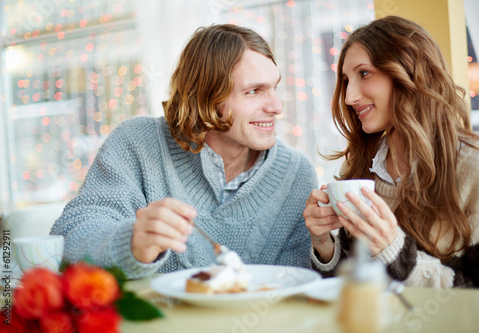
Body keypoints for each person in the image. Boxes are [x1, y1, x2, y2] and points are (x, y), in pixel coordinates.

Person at [51, 24, 317, 278]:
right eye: (255, 91)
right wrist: (131, 243)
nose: (277, 106)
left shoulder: (297, 174)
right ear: (207, 96)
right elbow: (69, 239)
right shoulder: (137, 143)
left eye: (274, 88)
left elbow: (298, 285)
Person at [304, 16, 479, 288]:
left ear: (409, 72)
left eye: (364, 73)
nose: (349, 97)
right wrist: (324, 244)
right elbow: (354, 285)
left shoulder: (478, 170)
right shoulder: (364, 168)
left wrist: (397, 253)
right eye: (347, 80)